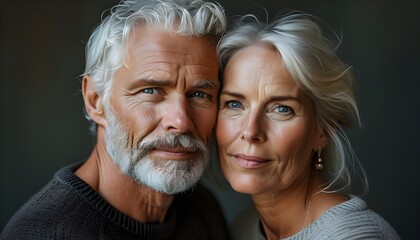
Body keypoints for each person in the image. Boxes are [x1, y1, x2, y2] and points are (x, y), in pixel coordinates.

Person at [1, 0, 229, 239]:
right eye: (150, 90)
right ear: (95, 100)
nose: (181, 121)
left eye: (200, 94)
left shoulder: (202, 209)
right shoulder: (41, 234)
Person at [216, 11, 400, 240]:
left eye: (282, 109)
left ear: (323, 131)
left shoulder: (357, 236)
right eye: (234, 104)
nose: (251, 131)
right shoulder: (242, 229)